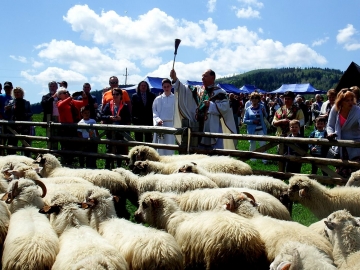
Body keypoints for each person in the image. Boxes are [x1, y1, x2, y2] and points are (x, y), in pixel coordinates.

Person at [170, 69, 237, 149]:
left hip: (212, 126)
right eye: (202, 76)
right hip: (197, 127)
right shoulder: (197, 90)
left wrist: (211, 105)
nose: (202, 78)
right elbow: (183, 89)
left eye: (205, 76)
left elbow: (226, 107)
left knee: (214, 154)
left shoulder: (220, 92)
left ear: (213, 78)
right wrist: (175, 79)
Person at [327, 88, 360, 178]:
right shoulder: (335, 109)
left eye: (351, 100)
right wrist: (330, 133)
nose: (350, 102)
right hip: (340, 146)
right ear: (341, 101)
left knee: (355, 174)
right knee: (340, 174)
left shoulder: (357, 110)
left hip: (354, 146)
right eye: (347, 100)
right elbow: (330, 125)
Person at [57, 87, 88, 166]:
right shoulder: (60, 102)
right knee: (66, 147)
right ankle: (66, 163)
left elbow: (83, 104)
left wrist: (84, 97)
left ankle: (74, 163)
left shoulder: (72, 102)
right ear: (59, 95)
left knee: (75, 146)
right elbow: (61, 106)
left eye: (67, 92)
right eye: (64, 93)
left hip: (73, 127)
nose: (66, 93)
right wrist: (71, 97)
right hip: (65, 129)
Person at [101, 88, 131, 169]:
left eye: (117, 94)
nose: (115, 96)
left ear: (121, 95)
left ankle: (119, 167)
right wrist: (109, 117)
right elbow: (101, 116)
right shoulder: (108, 104)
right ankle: (107, 167)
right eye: (113, 94)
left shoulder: (124, 106)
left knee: (120, 149)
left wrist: (121, 118)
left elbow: (128, 118)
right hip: (110, 131)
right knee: (109, 149)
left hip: (121, 131)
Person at [4, 87, 33, 156]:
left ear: (22, 93)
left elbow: (30, 113)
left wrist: (25, 114)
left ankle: (26, 158)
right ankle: (11, 158)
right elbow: (6, 114)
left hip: (24, 124)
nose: (17, 94)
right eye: (15, 92)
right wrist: (7, 109)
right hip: (13, 125)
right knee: (12, 142)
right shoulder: (11, 102)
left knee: (26, 142)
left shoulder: (26, 102)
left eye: (18, 92)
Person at [243, 92, 268, 164]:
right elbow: (244, 121)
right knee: (252, 144)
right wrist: (252, 121)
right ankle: (252, 160)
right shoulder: (248, 109)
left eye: (256, 98)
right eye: (252, 98)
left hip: (261, 129)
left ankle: (265, 160)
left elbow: (266, 116)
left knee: (263, 144)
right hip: (252, 130)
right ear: (250, 99)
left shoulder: (262, 106)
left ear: (258, 99)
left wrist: (264, 112)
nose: (254, 99)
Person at [152, 78, 175, 155]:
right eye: (164, 87)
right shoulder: (158, 99)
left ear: (171, 86)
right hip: (161, 124)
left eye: (168, 86)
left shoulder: (176, 98)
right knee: (160, 145)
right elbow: (154, 111)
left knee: (170, 144)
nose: (166, 88)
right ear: (162, 87)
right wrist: (158, 120)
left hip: (171, 124)